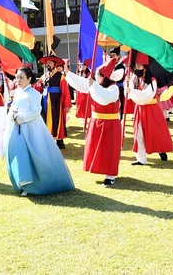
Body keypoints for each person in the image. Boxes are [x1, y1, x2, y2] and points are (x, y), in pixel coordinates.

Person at [5, 66, 75, 195]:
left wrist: (20, 118)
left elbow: (36, 112)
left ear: (29, 79)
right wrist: (11, 116)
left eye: (21, 77)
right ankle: (22, 181)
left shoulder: (34, 94)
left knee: (33, 154)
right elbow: (13, 107)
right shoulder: (17, 92)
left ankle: (33, 184)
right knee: (19, 154)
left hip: (31, 129)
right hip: (17, 128)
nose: (18, 80)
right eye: (17, 77)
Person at [66, 57, 122, 186]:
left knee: (109, 149)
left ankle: (110, 175)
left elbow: (104, 98)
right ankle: (99, 168)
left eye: (97, 74)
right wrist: (67, 72)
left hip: (110, 124)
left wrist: (93, 85)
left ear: (103, 77)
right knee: (97, 148)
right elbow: (80, 83)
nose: (94, 76)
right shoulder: (97, 85)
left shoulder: (113, 88)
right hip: (96, 122)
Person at [125, 52, 173, 165]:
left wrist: (132, 91)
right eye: (136, 65)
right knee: (139, 133)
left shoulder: (152, 80)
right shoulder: (135, 79)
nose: (137, 67)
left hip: (151, 108)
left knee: (155, 132)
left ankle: (161, 148)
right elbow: (129, 92)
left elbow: (147, 95)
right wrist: (128, 85)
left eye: (139, 65)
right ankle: (141, 158)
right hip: (140, 108)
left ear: (145, 67)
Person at [39, 55, 72, 149]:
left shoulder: (60, 76)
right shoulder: (44, 76)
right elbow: (39, 87)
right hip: (45, 101)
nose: (48, 64)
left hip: (56, 101)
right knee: (45, 118)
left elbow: (65, 90)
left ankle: (59, 140)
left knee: (57, 119)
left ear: (55, 64)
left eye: (50, 62)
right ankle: (47, 138)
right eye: (47, 62)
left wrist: (66, 104)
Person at [74, 61, 93, 126]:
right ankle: (82, 118)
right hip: (80, 91)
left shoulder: (89, 73)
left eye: (83, 65)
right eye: (80, 65)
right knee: (80, 104)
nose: (81, 67)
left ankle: (87, 117)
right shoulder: (79, 72)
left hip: (86, 91)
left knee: (86, 104)